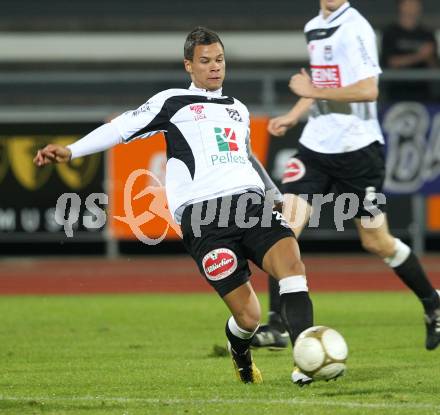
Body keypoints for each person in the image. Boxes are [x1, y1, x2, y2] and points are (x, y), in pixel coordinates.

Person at [33, 27, 316, 385]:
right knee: (248, 318)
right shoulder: (173, 102)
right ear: (189, 66)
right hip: (204, 219)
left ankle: (306, 363)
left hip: (250, 204)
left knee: (292, 268)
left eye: (219, 60)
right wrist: (71, 150)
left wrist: (273, 193)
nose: (214, 68)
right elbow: (120, 128)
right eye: (205, 61)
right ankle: (239, 351)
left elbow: (245, 156)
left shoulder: (238, 110)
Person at [252, 0, 440, 352]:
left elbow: (369, 89)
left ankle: (433, 302)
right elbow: (320, 81)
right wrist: (294, 114)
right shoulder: (313, 26)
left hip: (358, 151)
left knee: (376, 241)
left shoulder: (357, 28)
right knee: (281, 231)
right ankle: (277, 324)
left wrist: (312, 92)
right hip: (315, 147)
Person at [381, 0, 438, 101]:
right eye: (409, 4)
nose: (413, 7)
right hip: (396, 94)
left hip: (423, 94)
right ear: (401, 6)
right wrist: (419, 56)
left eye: (416, 4)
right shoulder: (390, 33)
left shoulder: (427, 34)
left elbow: (435, 67)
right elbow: (391, 62)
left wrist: (428, 56)